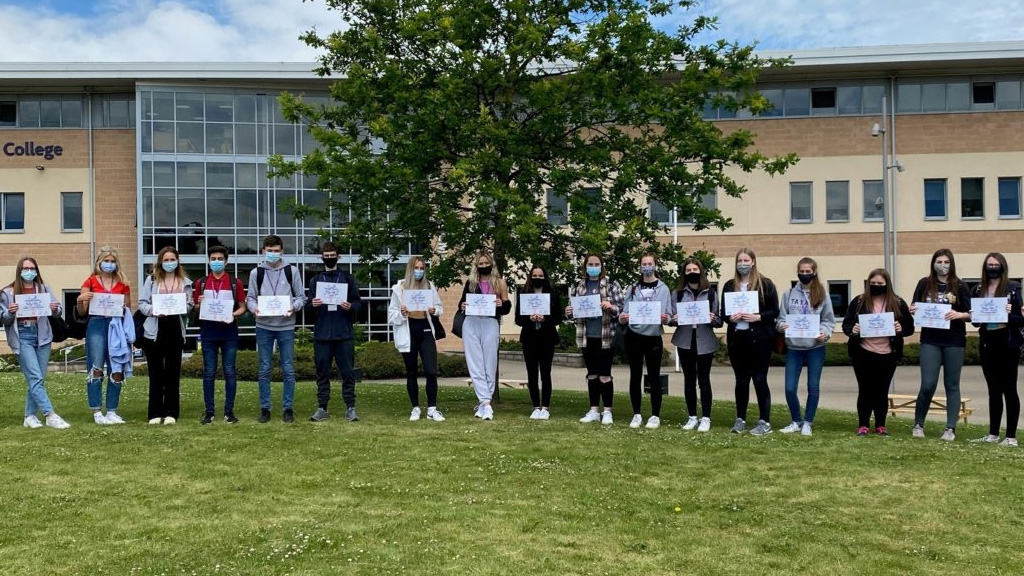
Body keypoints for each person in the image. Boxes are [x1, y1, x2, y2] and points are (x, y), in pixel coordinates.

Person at [0, 257, 70, 429]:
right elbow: (3, 319)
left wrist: (55, 309)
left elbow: (57, 310)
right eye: (25, 268)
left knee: (38, 378)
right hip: (22, 335)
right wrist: (10, 313)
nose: (29, 271)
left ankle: (30, 416)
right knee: (35, 377)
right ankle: (49, 414)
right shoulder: (8, 292)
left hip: (42, 336)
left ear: (36, 270)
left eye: (32, 268)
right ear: (19, 270)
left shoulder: (43, 288)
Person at [910, 248, 971, 441]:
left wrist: (960, 315)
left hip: (954, 340)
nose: (942, 265)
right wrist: (913, 309)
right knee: (928, 384)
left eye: (946, 262)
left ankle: (950, 428)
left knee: (952, 385)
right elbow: (914, 306)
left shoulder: (960, 286)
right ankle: (918, 424)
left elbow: (973, 313)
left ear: (951, 264)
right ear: (933, 263)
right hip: (930, 340)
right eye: (939, 261)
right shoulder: (924, 284)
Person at [843, 269, 914, 436]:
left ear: (887, 285)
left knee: (882, 390)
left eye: (880, 284)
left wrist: (900, 329)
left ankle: (881, 425)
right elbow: (846, 324)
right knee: (865, 389)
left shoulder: (897, 302)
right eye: (872, 284)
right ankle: (863, 424)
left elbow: (910, 327)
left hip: (888, 353)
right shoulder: (859, 301)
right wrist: (853, 329)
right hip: (863, 352)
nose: (876, 286)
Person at [246, 235, 306, 423]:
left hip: (286, 326)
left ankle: (288, 408)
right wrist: (254, 308)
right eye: (269, 251)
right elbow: (250, 298)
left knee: (288, 368)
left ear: (282, 251)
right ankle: (265, 408)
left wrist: (293, 307)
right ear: (263, 251)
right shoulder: (257, 273)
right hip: (263, 326)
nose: (272, 254)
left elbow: (301, 297)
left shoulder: (292, 271)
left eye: (276, 250)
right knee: (264, 368)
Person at [721, 248, 779, 436]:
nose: (742, 264)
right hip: (738, 339)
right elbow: (724, 314)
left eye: (746, 260)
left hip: (760, 339)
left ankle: (764, 421)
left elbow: (774, 311)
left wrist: (758, 317)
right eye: (740, 260)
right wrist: (731, 318)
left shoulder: (765, 284)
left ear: (753, 261)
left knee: (760, 379)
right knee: (741, 381)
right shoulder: (730, 286)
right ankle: (740, 419)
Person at [776, 257, 835, 436]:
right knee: (789, 388)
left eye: (808, 271)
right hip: (794, 347)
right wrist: (781, 326)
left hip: (815, 347)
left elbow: (828, 320)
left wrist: (825, 332)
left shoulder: (823, 295)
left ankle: (808, 422)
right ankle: (796, 420)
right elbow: (780, 320)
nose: (804, 274)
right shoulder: (788, 294)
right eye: (801, 271)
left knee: (813, 386)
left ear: (814, 272)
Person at [76, 245, 133, 425]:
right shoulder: (91, 281)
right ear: (99, 262)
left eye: (112, 261)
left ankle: (112, 411)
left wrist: (123, 309)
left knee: (117, 367)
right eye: (106, 261)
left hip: (116, 325)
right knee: (96, 366)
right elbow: (82, 311)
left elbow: (128, 308)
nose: (109, 264)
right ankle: (96, 411)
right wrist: (80, 301)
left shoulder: (123, 283)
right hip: (97, 324)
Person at [307, 241, 362, 422]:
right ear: (322, 257)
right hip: (322, 335)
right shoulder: (315, 280)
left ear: (338, 256)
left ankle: (350, 407)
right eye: (326, 255)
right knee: (322, 373)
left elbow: (358, 303)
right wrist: (312, 304)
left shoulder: (348, 279)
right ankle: (322, 407)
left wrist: (350, 307)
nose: (329, 258)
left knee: (347, 372)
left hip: (343, 334)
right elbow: (307, 307)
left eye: (332, 255)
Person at [138, 246, 194, 425]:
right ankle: (155, 412)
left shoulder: (185, 282)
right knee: (156, 374)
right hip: (154, 330)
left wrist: (184, 305)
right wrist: (154, 311)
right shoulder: (152, 280)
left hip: (175, 330)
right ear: (160, 262)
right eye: (166, 260)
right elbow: (142, 304)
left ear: (178, 261)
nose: (169, 263)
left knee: (172, 373)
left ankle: (171, 412)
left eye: (172, 259)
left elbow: (190, 307)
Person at [619, 254, 675, 429]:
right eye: (644, 264)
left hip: (653, 338)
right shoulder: (633, 287)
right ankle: (636, 414)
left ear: (655, 265)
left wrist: (665, 318)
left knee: (654, 376)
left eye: (650, 263)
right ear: (640, 266)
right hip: (634, 335)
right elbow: (624, 312)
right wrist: (622, 317)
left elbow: (669, 315)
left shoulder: (663, 288)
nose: (647, 266)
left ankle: (655, 415)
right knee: (635, 375)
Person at [566, 254, 624, 425]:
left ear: (601, 266)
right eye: (590, 264)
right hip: (586, 336)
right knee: (592, 374)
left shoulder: (612, 285)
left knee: (605, 375)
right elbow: (573, 313)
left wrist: (611, 307)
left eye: (596, 264)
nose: (593, 266)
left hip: (606, 336)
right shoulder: (578, 286)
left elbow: (622, 309)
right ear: (585, 266)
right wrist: (569, 312)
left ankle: (607, 411)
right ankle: (593, 410)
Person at [970, 253, 1021, 447]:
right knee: (993, 390)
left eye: (996, 264)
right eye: (989, 264)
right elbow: (976, 323)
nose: (992, 267)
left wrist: (1009, 314)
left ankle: (1010, 437)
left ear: (1003, 266)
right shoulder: (978, 289)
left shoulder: (1014, 289)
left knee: (1009, 389)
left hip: (1007, 342)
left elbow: (1020, 319)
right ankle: (992, 433)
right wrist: (974, 315)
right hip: (987, 341)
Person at [193, 245, 247, 424]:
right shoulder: (201, 283)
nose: (216, 262)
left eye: (220, 259)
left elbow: (243, 307)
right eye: (213, 259)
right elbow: (195, 308)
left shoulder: (234, 283)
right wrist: (199, 304)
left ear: (226, 261)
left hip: (229, 332)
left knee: (230, 372)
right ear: (208, 261)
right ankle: (209, 412)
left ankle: (229, 412)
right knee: (209, 372)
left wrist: (232, 314)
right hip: (208, 332)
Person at [388, 256, 446, 422]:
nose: (419, 271)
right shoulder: (399, 288)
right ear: (410, 269)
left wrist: (434, 309)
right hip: (409, 329)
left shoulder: (429, 286)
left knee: (431, 370)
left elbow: (440, 308)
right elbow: (391, 315)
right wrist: (402, 313)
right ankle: (415, 407)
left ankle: (432, 408)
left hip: (425, 329)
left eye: (422, 268)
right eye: (416, 268)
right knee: (411, 371)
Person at [458, 250, 511, 421]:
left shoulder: (500, 282)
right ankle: (485, 403)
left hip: (490, 323)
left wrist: (500, 303)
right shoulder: (471, 283)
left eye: (485, 263)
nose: (483, 266)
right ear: (476, 266)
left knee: (489, 364)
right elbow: (461, 303)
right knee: (475, 364)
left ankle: (484, 403)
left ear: (491, 264)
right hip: (471, 322)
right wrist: (463, 305)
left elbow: (507, 307)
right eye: (480, 264)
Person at [671, 258, 722, 433]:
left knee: (704, 380)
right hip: (685, 341)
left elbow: (719, 320)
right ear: (684, 274)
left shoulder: (710, 293)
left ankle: (706, 417)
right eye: (688, 270)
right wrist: (673, 319)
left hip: (705, 341)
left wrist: (712, 317)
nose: (692, 272)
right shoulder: (677, 293)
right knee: (689, 380)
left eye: (695, 269)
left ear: (700, 271)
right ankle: (692, 416)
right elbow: (670, 318)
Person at [514, 265, 563, 420]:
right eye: (535, 275)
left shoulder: (553, 294)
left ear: (545, 277)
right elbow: (517, 319)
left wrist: (545, 318)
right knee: (532, 374)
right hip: (529, 338)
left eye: (540, 275)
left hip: (547, 338)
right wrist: (529, 318)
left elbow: (558, 318)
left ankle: (546, 407)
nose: (537, 278)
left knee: (546, 373)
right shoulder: (524, 294)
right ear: (530, 276)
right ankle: (535, 406)